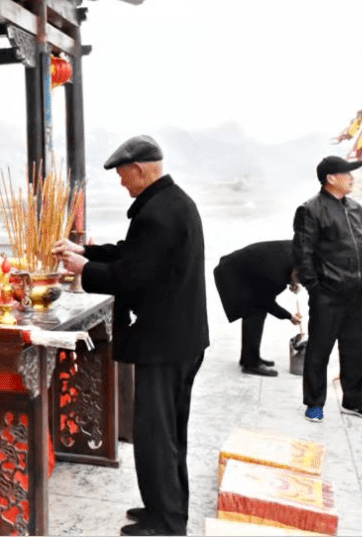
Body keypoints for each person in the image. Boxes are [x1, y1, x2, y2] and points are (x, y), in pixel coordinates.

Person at [54, 135, 208, 537]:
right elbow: (131, 253)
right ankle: (166, 508)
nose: (123, 183)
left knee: (158, 434)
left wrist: (82, 270)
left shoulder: (158, 213)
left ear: (139, 170)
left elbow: (132, 276)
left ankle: (166, 523)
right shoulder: (171, 204)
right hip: (180, 338)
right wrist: (85, 251)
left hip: (165, 342)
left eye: (124, 176)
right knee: (169, 432)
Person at [293, 156, 362, 423]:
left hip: (361, 295)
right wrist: (317, 289)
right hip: (329, 296)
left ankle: (354, 401)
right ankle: (314, 403)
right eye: (347, 174)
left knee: (357, 350)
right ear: (331, 178)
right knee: (320, 350)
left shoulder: (356, 208)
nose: (352, 178)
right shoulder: (310, 209)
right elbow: (302, 254)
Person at [214, 240, 303, 377]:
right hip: (232, 274)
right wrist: (289, 316)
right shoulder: (276, 277)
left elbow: (290, 272)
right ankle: (251, 364)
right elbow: (268, 303)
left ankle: (248, 357)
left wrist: (291, 281)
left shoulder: (297, 251)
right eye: (299, 280)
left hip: (244, 269)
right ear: (295, 272)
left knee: (254, 309)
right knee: (255, 311)